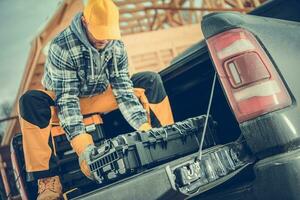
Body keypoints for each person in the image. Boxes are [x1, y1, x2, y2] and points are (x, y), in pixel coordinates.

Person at [18, 0, 174, 199]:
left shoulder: (115, 45)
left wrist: (143, 128)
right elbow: (67, 101)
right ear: (84, 22)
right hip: (62, 102)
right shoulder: (61, 47)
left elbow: (123, 90)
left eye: (108, 33)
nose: (104, 39)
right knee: (30, 102)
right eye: (100, 32)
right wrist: (84, 149)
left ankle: (166, 142)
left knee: (148, 80)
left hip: (100, 96)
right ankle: (48, 182)